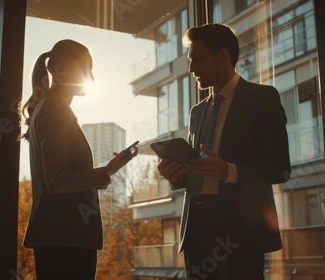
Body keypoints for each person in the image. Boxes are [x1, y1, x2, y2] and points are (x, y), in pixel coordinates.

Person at [157, 23, 291, 279]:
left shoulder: (262, 98)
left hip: (241, 234)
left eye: (197, 58)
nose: (191, 68)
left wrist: (229, 171)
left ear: (223, 56)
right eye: (189, 60)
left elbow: (280, 168)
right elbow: (199, 171)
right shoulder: (197, 112)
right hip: (197, 233)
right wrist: (177, 177)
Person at [18, 39, 137, 279]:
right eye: (86, 69)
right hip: (66, 240)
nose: (91, 78)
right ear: (62, 69)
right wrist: (108, 170)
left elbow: (58, 175)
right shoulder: (55, 108)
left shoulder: (49, 107)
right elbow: (58, 181)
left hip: (58, 238)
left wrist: (106, 169)